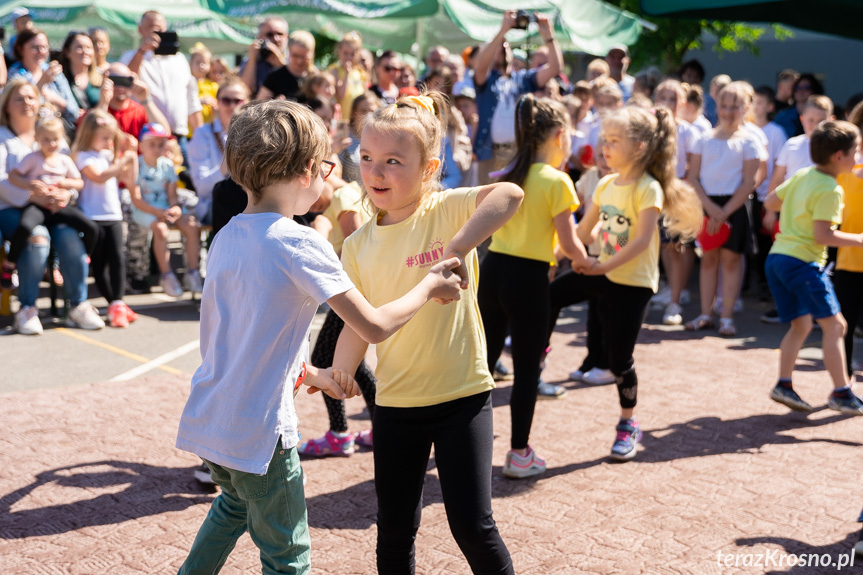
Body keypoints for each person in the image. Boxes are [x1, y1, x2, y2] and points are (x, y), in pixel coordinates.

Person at [175, 98, 465, 574]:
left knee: (233, 508)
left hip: (214, 419)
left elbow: (240, 338)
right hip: (261, 433)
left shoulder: (228, 234)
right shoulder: (300, 241)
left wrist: (316, 373)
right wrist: (429, 286)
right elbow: (371, 325)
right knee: (289, 558)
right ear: (309, 170)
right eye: (330, 167)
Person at [327, 92, 519, 574]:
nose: (376, 172)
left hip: (463, 398)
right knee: (393, 530)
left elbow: (509, 194)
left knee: (473, 527)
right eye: (367, 159)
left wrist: (453, 249)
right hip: (395, 407)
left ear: (429, 167)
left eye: (394, 161)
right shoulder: (356, 245)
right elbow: (360, 322)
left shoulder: (445, 210)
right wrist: (341, 371)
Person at [546, 106, 702, 461]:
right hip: (602, 272)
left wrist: (601, 267)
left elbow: (642, 241)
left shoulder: (648, 189)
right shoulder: (603, 183)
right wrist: (554, 258)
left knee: (620, 361)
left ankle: (627, 423)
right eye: (605, 139)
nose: (605, 147)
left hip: (632, 283)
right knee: (549, 296)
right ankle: (537, 358)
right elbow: (583, 231)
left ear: (639, 147)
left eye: (615, 141)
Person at [479, 94, 589, 478]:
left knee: (481, 368)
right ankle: (519, 454)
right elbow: (571, 243)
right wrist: (586, 263)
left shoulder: (510, 171)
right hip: (527, 281)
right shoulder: (557, 181)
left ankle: (458, 441)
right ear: (559, 135)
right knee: (527, 371)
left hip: (492, 272)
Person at [764, 120, 863, 415]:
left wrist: (798, 208)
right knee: (836, 326)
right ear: (839, 156)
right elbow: (823, 236)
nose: (858, 156)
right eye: (855, 150)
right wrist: (859, 239)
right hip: (803, 264)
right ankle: (842, 392)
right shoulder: (831, 189)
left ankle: (784, 383)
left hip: (777, 259)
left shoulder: (804, 174)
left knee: (802, 325)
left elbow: (770, 202)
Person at [0, 78, 104, 335]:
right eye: (19, 98)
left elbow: (67, 173)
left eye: (31, 97)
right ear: (6, 106)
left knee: (70, 237)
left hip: (52, 208)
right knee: (37, 238)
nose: (26, 102)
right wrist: (32, 197)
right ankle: (27, 308)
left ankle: (77, 305)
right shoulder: (2, 137)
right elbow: (3, 179)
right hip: (13, 208)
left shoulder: (51, 132)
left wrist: (66, 195)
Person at [685, 82, 765, 337]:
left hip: (735, 207)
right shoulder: (703, 139)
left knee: (731, 261)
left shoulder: (750, 141)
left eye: (735, 106)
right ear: (716, 105)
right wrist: (710, 208)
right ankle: (706, 314)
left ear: (746, 108)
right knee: (708, 260)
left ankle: (727, 318)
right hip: (707, 206)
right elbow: (694, 177)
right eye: (724, 106)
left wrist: (725, 212)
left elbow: (749, 182)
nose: (729, 111)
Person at [1, 116, 96, 289]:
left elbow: (79, 182)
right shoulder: (32, 158)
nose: (51, 143)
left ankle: (87, 256)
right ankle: (10, 264)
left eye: (55, 139)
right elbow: (13, 176)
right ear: (37, 139)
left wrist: (65, 186)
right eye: (46, 139)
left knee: (90, 227)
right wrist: (29, 185)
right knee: (24, 227)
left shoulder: (64, 160)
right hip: (38, 206)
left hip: (58, 207)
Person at [473, 10, 561, 184]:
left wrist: (549, 35)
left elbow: (555, 68)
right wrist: (502, 31)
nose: (503, 48)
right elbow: (482, 65)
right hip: (490, 153)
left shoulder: (523, 79)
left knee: (517, 203)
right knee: (487, 203)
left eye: (506, 46)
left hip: (519, 152)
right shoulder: (486, 79)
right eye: (499, 47)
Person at [72, 109, 138, 328]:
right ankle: (113, 302)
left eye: (111, 137)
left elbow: (129, 178)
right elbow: (99, 177)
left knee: (118, 258)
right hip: (93, 216)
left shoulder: (107, 156)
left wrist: (132, 155)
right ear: (89, 134)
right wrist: (123, 161)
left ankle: (118, 302)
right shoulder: (83, 156)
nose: (109, 142)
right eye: (105, 137)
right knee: (100, 263)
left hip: (113, 214)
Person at [130, 122, 202, 298]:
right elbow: (137, 200)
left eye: (161, 144)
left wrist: (176, 209)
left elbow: (172, 197)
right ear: (141, 145)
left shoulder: (168, 165)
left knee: (192, 225)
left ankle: (192, 273)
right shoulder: (136, 165)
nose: (157, 148)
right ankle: (166, 275)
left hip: (164, 209)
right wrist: (158, 213)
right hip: (145, 210)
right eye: (151, 144)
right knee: (161, 230)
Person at [122, 10, 203, 164]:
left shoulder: (179, 59)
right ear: (141, 30)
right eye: (153, 28)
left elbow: (191, 101)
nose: (158, 33)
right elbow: (126, 81)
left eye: (161, 29)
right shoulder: (131, 56)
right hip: (149, 139)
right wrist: (142, 51)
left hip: (179, 138)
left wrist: (200, 137)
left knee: (185, 184)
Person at [651, 79, 700, 325]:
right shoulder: (650, 127)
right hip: (651, 191)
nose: (667, 103)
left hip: (676, 193)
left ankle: (675, 302)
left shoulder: (689, 131)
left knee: (675, 246)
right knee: (657, 245)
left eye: (673, 98)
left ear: (681, 103)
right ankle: (665, 290)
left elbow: (694, 166)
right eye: (663, 97)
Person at [188, 76, 250, 225]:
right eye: (226, 100)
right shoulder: (203, 134)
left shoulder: (255, 135)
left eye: (238, 101)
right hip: (213, 204)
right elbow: (202, 188)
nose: (232, 106)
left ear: (247, 103)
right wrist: (225, 168)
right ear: (217, 102)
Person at [9, 28, 80, 133]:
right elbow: (18, 111)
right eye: (35, 47)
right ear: (21, 49)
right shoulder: (15, 75)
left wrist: (55, 98)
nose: (41, 52)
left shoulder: (54, 73)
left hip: (59, 133)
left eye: (44, 47)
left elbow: (74, 111)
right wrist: (41, 84)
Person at [97, 62, 169, 139]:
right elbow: (93, 133)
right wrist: (103, 102)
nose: (120, 86)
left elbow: (165, 133)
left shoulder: (140, 111)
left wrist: (146, 100)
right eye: (115, 81)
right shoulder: (98, 109)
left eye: (126, 81)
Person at [258, 30, 316, 102]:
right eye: (295, 55)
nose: (299, 61)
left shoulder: (315, 77)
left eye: (304, 57)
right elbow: (259, 104)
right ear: (289, 51)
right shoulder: (275, 77)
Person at [238, 16, 288, 94]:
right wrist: (252, 60)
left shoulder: (293, 58)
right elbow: (245, 92)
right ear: (260, 38)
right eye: (270, 35)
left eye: (280, 34)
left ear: (286, 37)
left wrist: (281, 66)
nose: (276, 38)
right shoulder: (253, 59)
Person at [60, 31, 102, 113]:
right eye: (79, 47)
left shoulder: (101, 79)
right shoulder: (59, 79)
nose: (85, 51)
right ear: (67, 52)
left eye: (88, 47)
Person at [330, 32, 368, 120]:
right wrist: (347, 74)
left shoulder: (360, 72)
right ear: (339, 52)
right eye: (345, 53)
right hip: (342, 119)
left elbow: (365, 96)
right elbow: (341, 95)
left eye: (352, 54)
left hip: (356, 119)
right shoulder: (335, 70)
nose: (348, 57)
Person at [773, 73, 824, 139]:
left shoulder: (822, 113)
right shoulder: (783, 116)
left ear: (814, 90)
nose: (801, 91)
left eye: (806, 87)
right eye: (797, 87)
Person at [189, 43, 218, 126]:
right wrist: (199, 101)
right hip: (190, 131)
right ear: (191, 64)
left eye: (204, 63)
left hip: (208, 127)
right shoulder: (187, 84)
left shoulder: (213, 85)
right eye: (197, 62)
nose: (201, 66)